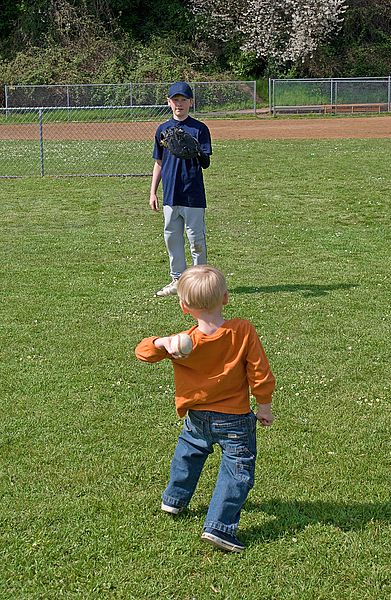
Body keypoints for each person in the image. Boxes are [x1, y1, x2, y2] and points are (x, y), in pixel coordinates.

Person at [135, 265, 275, 553]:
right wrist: (264, 405)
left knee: (188, 454)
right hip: (235, 420)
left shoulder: (183, 343)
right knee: (237, 470)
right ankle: (220, 527)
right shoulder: (242, 330)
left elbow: (143, 352)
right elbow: (259, 372)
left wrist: (161, 342)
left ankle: (173, 500)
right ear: (225, 298)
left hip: (197, 418)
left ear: (184, 306)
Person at [150, 81, 212, 297]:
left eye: (183, 100)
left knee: (196, 240)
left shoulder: (199, 129)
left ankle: (201, 284)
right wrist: (152, 192)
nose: (179, 104)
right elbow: (158, 162)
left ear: (191, 102)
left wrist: (196, 151)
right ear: (169, 102)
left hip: (193, 193)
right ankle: (177, 280)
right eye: (175, 100)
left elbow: (206, 161)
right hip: (170, 194)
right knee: (172, 237)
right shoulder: (162, 130)